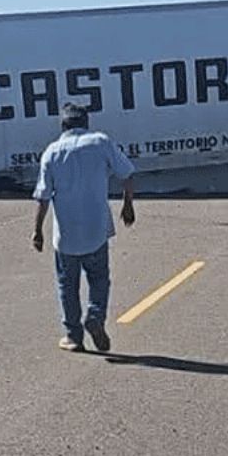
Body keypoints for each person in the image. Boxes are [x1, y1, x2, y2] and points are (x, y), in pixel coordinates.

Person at [32, 104, 136, 353]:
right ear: (85, 123)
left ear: (63, 126)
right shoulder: (100, 142)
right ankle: (96, 317)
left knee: (67, 285)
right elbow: (128, 174)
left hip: (66, 235)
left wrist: (37, 231)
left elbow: (43, 196)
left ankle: (73, 336)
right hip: (96, 229)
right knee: (99, 279)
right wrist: (128, 205)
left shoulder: (51, 152)